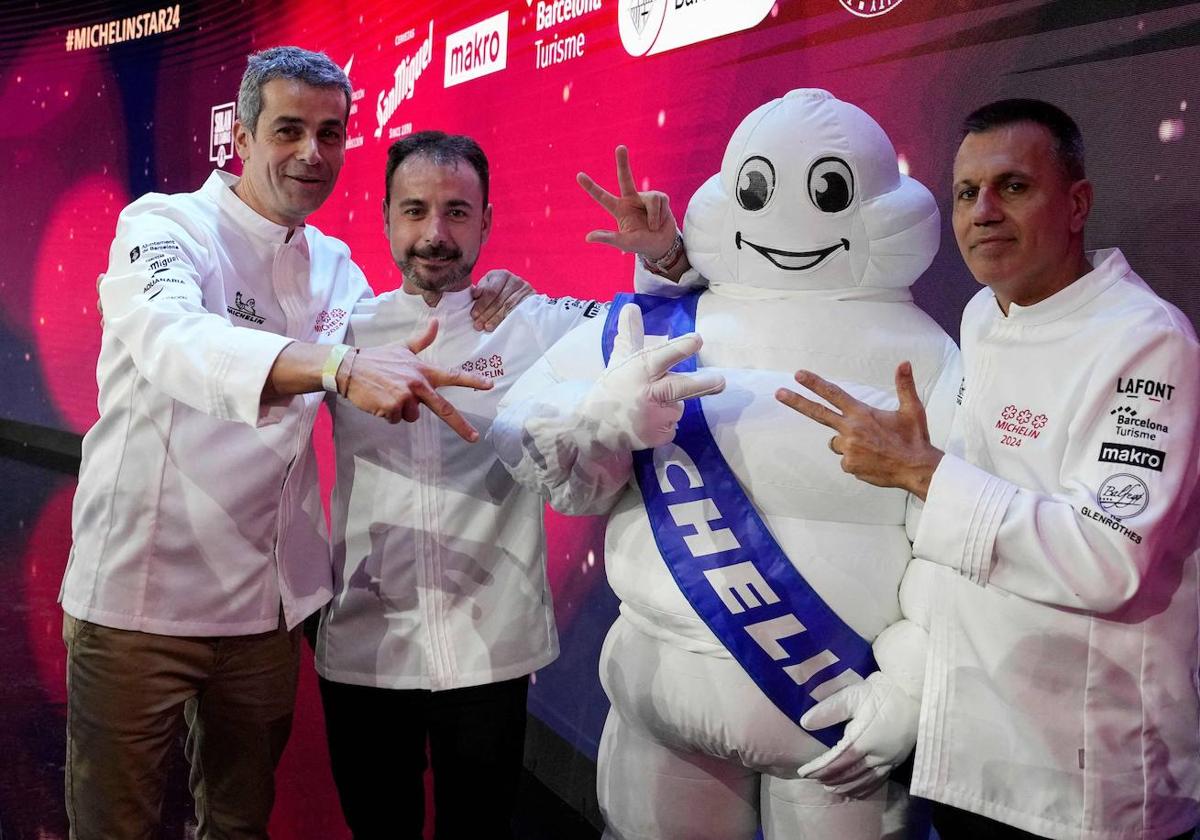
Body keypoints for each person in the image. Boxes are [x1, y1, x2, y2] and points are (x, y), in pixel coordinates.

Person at [60, 48, 510, 838]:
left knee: (239, 824)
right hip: (140, 599)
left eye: (331, 134)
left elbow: (407, 337)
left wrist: (490, 294)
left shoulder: (335, 266)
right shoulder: (165, 225)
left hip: (265, 614)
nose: (312, 153)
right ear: (241, 133)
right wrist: (335, 366)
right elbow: (176, 341)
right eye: (290, 130)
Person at [492, 89, 961, 839]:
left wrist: (910, 683)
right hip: (663, 693)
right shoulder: (664, 322)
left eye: (828, 192)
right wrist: (599, 421)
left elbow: (958, 544)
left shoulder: (932, 356)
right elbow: (521, 429)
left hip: (841, 718)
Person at [777, 99, 1200, 840]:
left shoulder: (1147, 342)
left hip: (1082, 779)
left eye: (1013, 186)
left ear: (1077, 204)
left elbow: (1107, 559)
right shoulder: (982, 315)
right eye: (967, 193)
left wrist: (926, 476)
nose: (983, 212)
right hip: (969, 743)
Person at [312, 131, 625, 839]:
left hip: (492, 650)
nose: (435, 234)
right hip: (366, 647)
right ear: (386, 216)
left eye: (457, 212)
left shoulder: (531, 323)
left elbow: (646, 334)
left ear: (486, 222)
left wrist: (664, 258)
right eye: (415, 210)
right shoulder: (338, 336)